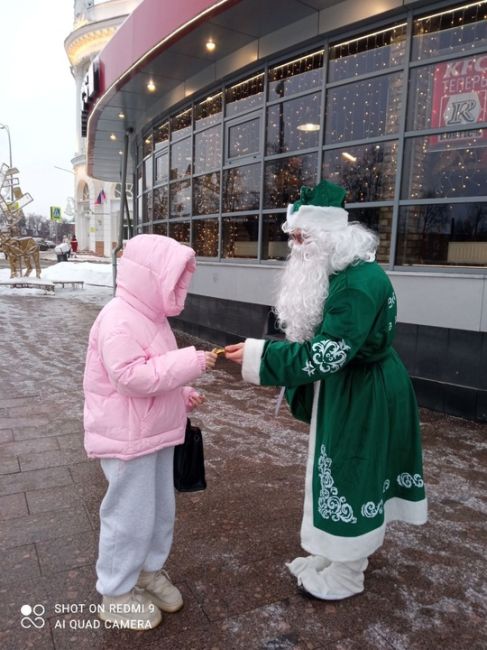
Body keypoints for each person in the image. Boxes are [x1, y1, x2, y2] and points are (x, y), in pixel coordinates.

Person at [225, 179, 427, 601]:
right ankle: (332, 553)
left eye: (304, 236)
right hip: (351, 386)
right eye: (293, 236)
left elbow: (326, 355)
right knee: (332, 467)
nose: (296, 245)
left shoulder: (355, 285)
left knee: (351, 471)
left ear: (332, 236)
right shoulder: (341, 272)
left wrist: (259, 356)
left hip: (363, 392)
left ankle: (348, 570)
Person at [83, 234, 217, 629]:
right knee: (129, 516)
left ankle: (146, 572)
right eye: (172, 279)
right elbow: (129, 377)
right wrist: (189, 364)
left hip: (156, 432)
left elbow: (155, 369)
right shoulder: (118, 317)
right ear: (151, 275)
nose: (179, 289)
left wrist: (182, 392)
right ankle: (115, 592)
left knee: (158, 512)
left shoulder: (152, 318)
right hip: (127, 438)